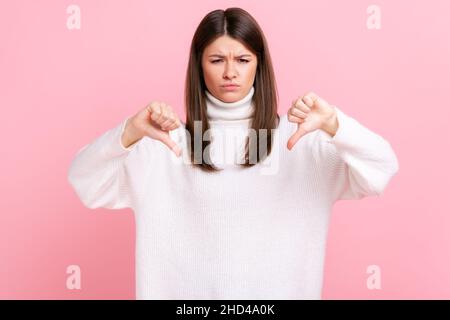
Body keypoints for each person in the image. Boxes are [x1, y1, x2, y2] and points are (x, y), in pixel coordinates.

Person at [67, 7, 399, 299]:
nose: (230, 72)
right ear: (199, 66)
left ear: (259, 64)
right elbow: (84, 180)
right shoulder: (166, 145)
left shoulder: (299, 141)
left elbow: (382, 169)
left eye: (242, 59)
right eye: (216, 60)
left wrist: (335, 124)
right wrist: (128, 133)